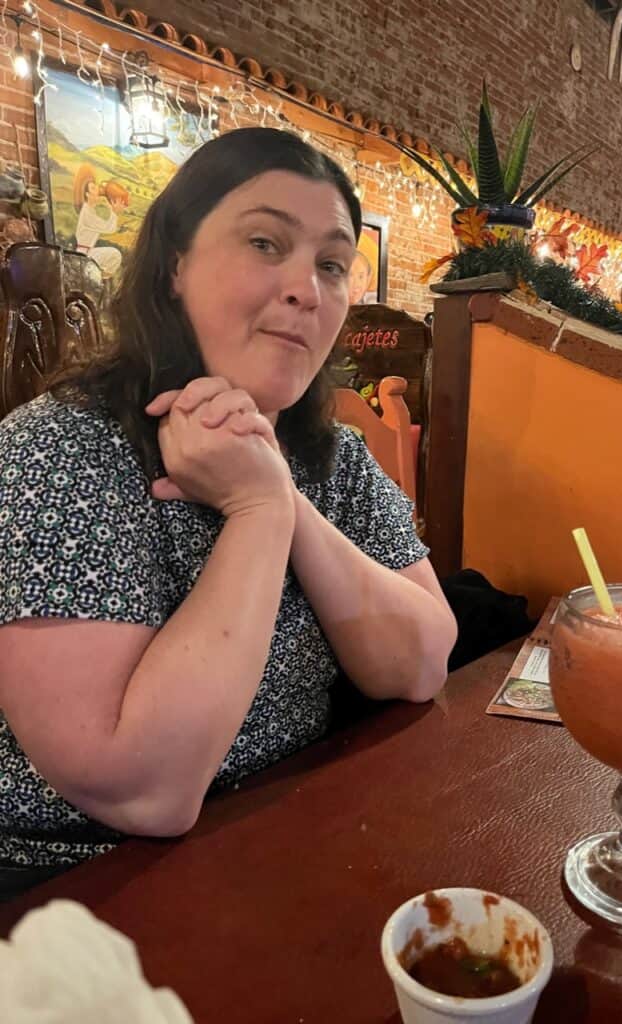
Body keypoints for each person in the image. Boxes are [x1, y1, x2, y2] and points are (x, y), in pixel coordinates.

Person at [0, 127, 457, 897]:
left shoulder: (333, 457)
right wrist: (253, 512)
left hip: (290, 833)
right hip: (76, 887)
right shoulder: (57, 449)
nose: (306, 289)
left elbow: (420, 663)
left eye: (332, 265)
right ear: (176, 262)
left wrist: (273, 493)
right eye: (263, 243)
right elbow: (141, 790)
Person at [73, 165, 130, 279]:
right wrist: (114, 212)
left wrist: (112, 209)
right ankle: (100, 279)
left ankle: (100, 279)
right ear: (87, 194)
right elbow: (109, 228)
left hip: (88, 251)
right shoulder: (87, 213)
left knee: (114, 255)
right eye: (93, 189)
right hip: (83, 255)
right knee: (115, 254)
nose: (98, 191)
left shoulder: (90, 211)